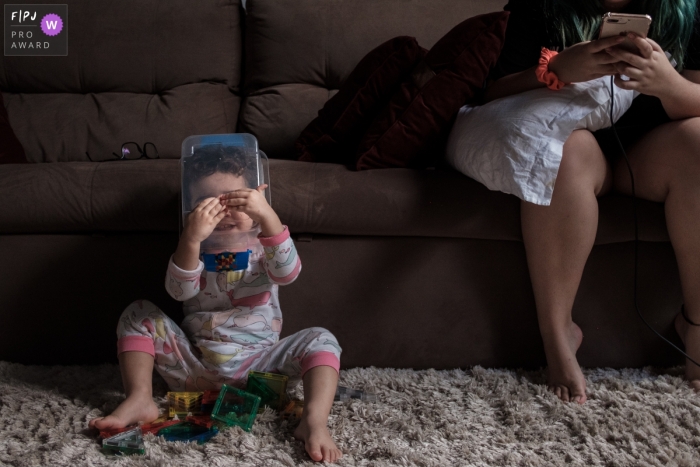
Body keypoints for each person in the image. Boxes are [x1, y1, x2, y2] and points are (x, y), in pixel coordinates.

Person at [483, 0, 700, 403]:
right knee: (559, 155)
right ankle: (559, 333)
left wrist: (669, 84)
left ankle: (697, 325)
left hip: (653, 152)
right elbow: (491, 92)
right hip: (575, 143)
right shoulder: (538, 7)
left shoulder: (689, 9)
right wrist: (557, 71)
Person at [89, 144, 343, 463]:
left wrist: (267, 217)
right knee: (138, 313)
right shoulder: (192, 249)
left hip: (260, 367)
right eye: (207, 203)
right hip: (195, 368)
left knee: (322, 339)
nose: (222, 212)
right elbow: (179, 291)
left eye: (235, 200)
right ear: (189, 209)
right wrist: (192, 239)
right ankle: (140, 398)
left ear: (256, 196)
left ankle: (314, 421)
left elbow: (288, 272)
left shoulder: (264, 244)